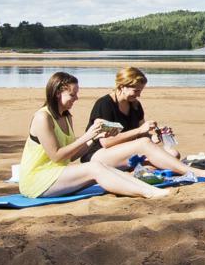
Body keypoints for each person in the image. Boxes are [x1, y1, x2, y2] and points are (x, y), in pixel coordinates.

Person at [14, 70, 167, 200]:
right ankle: (148, 193)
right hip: (37, 181)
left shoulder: (66, 117)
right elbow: (56, 156)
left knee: (103, 167)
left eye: (76, 94)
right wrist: (87, 136)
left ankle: (151, 190)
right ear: (57, 94)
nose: (76, 98)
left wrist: (94, 137)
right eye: (72, 95)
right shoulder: (43, 117)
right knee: (94, 168)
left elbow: (71, 157)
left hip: (56, 174)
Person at [84, 66, 193, 178]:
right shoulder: (105, 104)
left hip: (124, 152)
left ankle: (134, 171)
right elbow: (106, 142)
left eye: (140, 91)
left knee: (173, 154)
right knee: (163, 158)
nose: (138, 95)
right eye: (136, 91)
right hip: (98, 153)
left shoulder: (135, 105)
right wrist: (140, 130)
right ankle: (191, 172)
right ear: (122, 86)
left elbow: (144, 136)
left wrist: (157, 136)